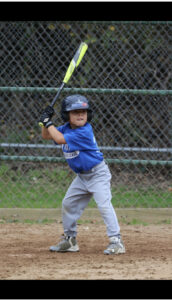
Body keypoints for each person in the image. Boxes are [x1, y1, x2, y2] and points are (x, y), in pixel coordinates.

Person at [39, 94, 125, 255]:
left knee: (104, 205)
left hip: (98, 174)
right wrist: (46, 122)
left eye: (83, 112)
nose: (80, 115)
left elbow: (57, 138)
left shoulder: (84, 131)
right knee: (68, 203)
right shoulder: (66, 128)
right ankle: (70, 240)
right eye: (75, 112)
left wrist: (48, 122)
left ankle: (116, 241)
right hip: (82, 177)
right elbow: (46, 135)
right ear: (66, 115)